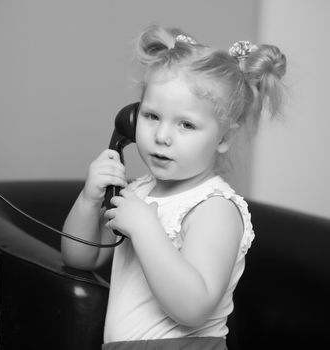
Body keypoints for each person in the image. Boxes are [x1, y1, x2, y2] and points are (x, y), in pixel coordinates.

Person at [61, 25, 286, 349]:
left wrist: (146, 228)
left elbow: (193, 308)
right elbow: (80, 258)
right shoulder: (137, 193)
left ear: (223, 138)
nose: (162, 135)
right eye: (152, 116)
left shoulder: (214, 208)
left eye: (186, 124)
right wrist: (87, 200)